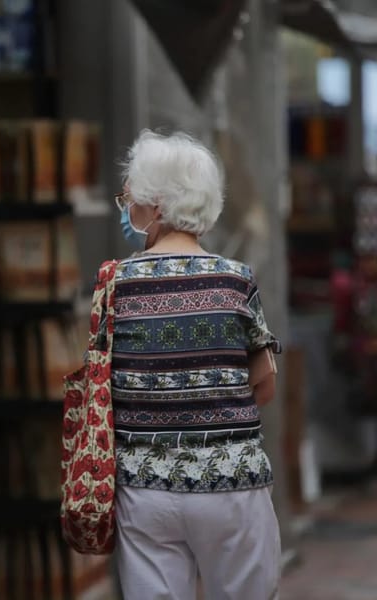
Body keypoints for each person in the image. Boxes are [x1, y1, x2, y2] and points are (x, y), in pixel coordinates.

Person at [109, 130, 281, 599]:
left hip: (144, 487)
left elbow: (102, 385)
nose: (126, 208)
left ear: (157, 207)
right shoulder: (235, 280)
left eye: (130, 198)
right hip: (232, 482)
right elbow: (265, 384)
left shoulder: (115, 284)